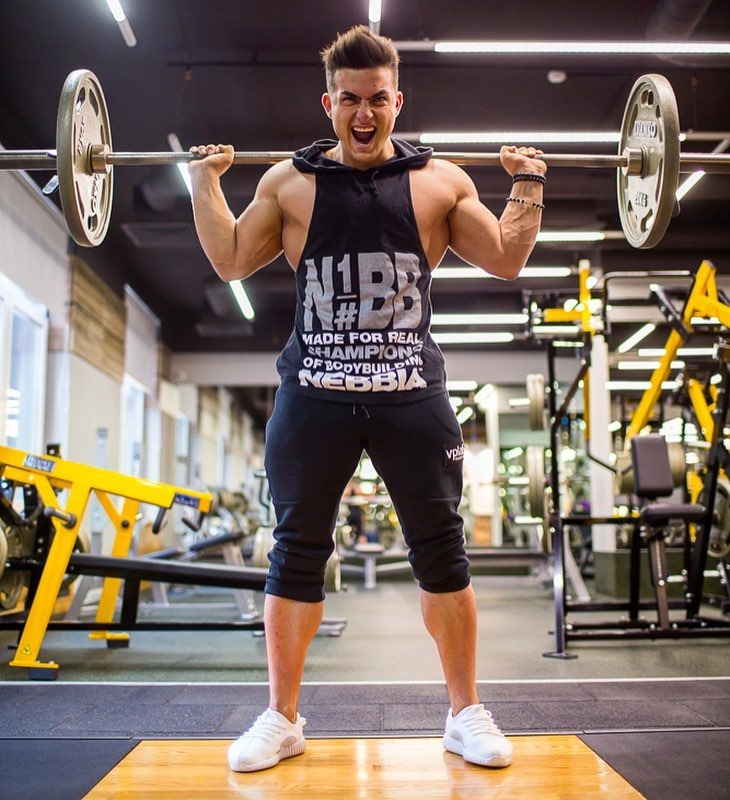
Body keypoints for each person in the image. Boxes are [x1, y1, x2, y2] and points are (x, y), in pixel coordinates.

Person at [189, 24, 546, 773]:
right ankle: (282, 717)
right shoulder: (288, 183)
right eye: (349, 99)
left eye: (377, 99)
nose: (364, 113)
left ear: (397, 102)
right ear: (328, 104)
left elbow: (507, 258)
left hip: (410, 394)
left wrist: (527, 183)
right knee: (295, 551)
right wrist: (204, 183)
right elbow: (229, 260)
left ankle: (464, 713)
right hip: (313, 393)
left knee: (442, 550)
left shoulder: (440, 181)